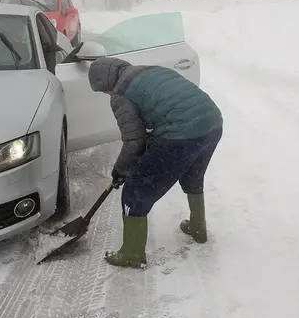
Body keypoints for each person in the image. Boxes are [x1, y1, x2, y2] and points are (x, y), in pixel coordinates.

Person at [87, 56, 223, 269]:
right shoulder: (149, 70)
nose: (106, 94)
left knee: (136, 189)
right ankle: (198, 226)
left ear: (107, 84)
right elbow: (160, 110)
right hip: (212, 122)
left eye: (103, 91)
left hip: (182, 134)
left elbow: (134, 141)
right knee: (193, 175)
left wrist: (120, 170)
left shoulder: (120, 95)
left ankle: (131, 254)